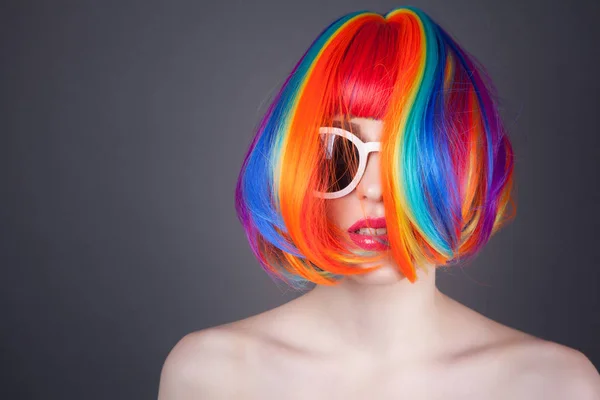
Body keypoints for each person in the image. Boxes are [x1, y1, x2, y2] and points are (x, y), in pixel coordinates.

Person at [158, 6, 600, 399]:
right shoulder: (209, 376)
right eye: (342, 152)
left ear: (465, 172)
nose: (372, 190)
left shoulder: (556, 385)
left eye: (402, 159)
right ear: (299, 164)